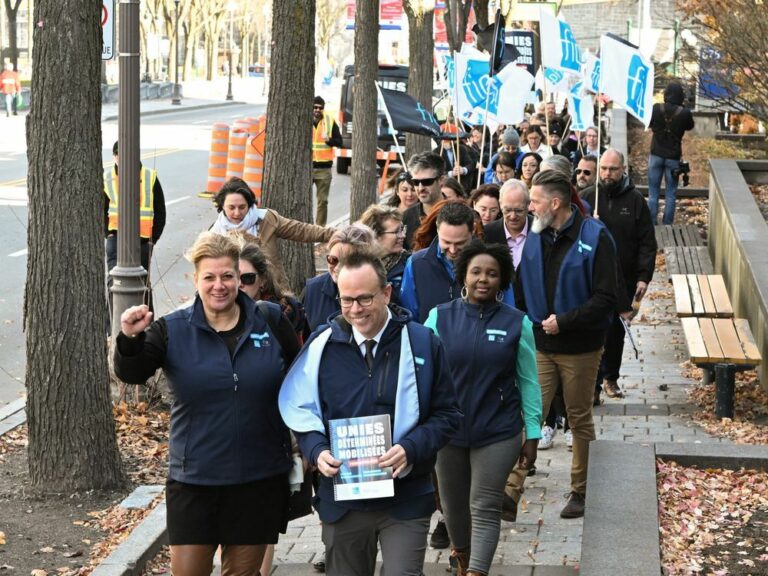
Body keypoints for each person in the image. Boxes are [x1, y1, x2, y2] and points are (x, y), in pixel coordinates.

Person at [114, 231, 301, 576]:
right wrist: (129, 338)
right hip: (194, 481)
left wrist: (303, 444)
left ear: (239, 278)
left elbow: (301, 383)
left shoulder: (271, 321)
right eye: (209, 277)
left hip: (257, 480)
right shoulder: (172, 329)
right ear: (195, 279)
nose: (220, 285)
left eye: (228, 276)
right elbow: (133, 373)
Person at [279, 250, 461, 576]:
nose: (355, 310)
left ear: (387, 293)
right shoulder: (322, 346)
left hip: (406, 497)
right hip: (343, 501)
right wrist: (316, 450)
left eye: (364, 299)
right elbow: (300, 410)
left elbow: (448, 414)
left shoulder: (421, 342)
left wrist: (411, 447)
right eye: (346, 300)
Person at [424, 240, 541, 576]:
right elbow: (421, 374)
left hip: (498, 431)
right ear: (464, 275)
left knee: (485, 505)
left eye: (492, 273)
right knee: (453, 507)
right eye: (476, 271)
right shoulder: (438, 318)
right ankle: (463, 562)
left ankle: (477, 572)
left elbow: (530, 382)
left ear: (502, 279)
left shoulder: (518, 323)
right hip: (449, 431)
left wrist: (531, 433)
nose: (483, 279)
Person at [508, 169, 618, 520]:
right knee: (531, 412)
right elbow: (521, 286)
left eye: (534, 202)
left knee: (578, 416)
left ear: (555, 203)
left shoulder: (595, 237)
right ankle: (510, 489)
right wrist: (525, 322)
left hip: (581, 347)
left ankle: (581, 490)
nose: (529, 208)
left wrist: (566, 321)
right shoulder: (536, 238)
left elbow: (606, 297)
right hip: (539, 343)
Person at [583, 149, 657, 400]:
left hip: (622, 278)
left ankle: (610, 378)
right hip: (590, 279)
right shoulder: (588, 198)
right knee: (592, 331)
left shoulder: (635, 201)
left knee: (615, 332)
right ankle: (590, 385)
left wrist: (643, 277)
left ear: (623, 169)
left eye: (612, 169)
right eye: (603, 168)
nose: (607, 174)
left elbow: (647, 242)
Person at [210, 177, 334, 287]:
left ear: (250, 205)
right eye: (231, 208)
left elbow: (300, 230)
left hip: (272, 292)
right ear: (222, 206)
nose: (237, 213)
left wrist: (334, 234)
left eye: (242, 207)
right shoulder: (214, 235)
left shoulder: (267, 219)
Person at [104, 140, 166, 316]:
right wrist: (108, 234)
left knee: (142, 284)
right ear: (115, 156)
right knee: (113, 283)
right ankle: (111, 328)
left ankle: (148, 326)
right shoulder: (107, 178)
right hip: (116, 239)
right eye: (119, 155)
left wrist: (153, 239)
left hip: (143, 240)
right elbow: (101, 209)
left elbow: (160, 211)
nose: (123, 159)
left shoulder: (149, 176)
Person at [400, 202, 476, 324]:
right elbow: (409, 317)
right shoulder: (417, 264)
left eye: (460, 243)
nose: (453, 250)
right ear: (437, 228)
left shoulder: (492, 264)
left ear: (473, 230)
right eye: (446, 242)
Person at [303, 224, 378, 332]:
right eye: (333, 259)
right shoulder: (312, 290)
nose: (337, 267)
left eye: (346, 261)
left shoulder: (379, 290)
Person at [237, 240, 308, 343]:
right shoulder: (220, 314)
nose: (239, 284)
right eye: (233, 277)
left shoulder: (287, 314)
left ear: (263, 280)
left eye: (247, 278)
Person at [648, 81, 695, 225]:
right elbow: (690, 126)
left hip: (655, 155)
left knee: (653, 193)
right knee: (670, 193)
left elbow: (649, 124)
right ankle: (667, 224)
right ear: (681, 95)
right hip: (673, 158)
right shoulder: (684, 113)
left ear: (665, 94)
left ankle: (652, 223)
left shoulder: (656, 109)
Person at [360, 205, 410, 306]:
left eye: (402, 229)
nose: (403, 235)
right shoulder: (359, 265)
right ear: (376, 235)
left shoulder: (410, 264)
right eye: (397, 231)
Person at [483, 180, 531, 271]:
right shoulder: (487, 233)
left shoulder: (541, 231)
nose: (513, 216)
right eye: (508, 210)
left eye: (519, 210)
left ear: (528, 205)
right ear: (500, 204)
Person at [402, 152, 445, 250]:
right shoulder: (406, 217)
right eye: (416, 182)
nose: (420, 188)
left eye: (427, 182)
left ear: (441, 181)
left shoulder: (461, 213)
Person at [312, 95, 343, 226]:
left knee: (322, 201)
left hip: (324, 169)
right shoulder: (301, 120)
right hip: (306, 167)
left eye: (320, 108)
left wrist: (328, 140)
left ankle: (319, 229)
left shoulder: (330, 122)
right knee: (301, 200)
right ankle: (303, 227)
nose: (318, 110)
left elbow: (340, 142)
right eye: (315, 107)